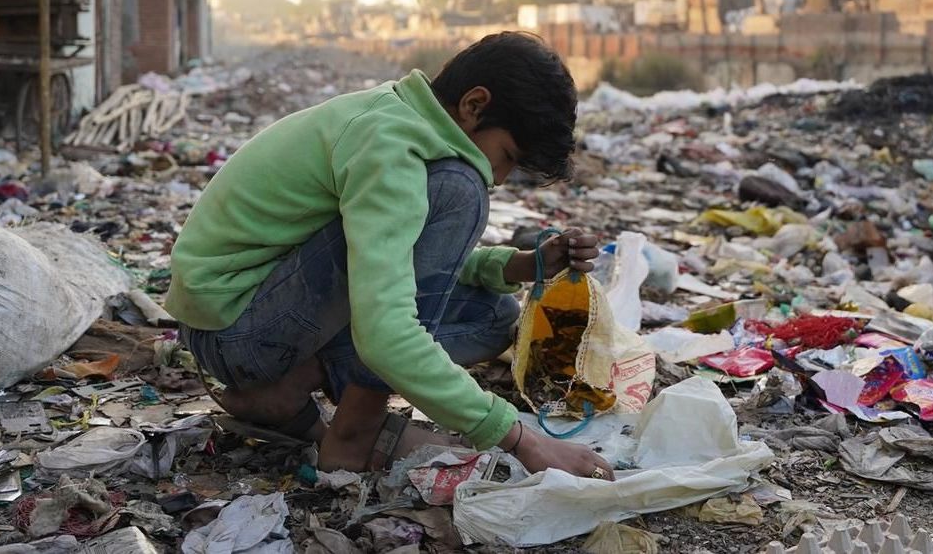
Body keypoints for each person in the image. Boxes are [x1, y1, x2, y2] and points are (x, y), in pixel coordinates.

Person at [164, 32, 616, 480]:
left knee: (493, 316)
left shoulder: (401, 120)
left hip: (251, 316)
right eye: (507, 157)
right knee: (460, 189)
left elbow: (395, 251)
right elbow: (386, 332)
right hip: (236, 329)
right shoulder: (391, 146)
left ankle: (283, 389)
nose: (499, 178)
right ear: (474, 105)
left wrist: (517, 265)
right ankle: (354, 434)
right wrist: (523, 440)